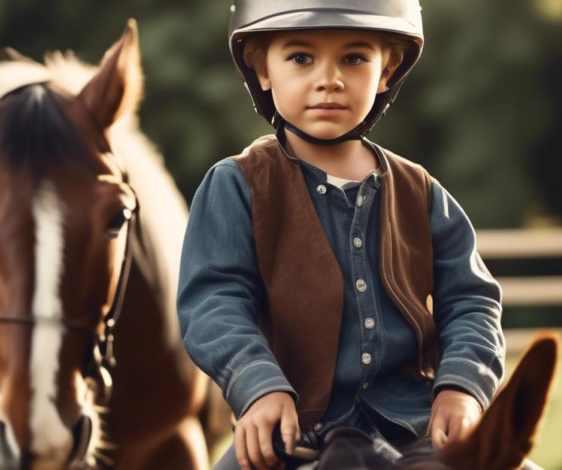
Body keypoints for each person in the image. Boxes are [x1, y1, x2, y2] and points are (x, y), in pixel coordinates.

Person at [177, 2, 540, 470]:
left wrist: (462, 387)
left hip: (419, 425)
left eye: (354, 58)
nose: (330, 79)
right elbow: (214, 302)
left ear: (387, 71)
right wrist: (257, 384)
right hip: (292, 429)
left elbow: (472, 301)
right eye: (301, 58)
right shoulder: (236, 185)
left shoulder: (421, 191)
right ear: (261, 68)